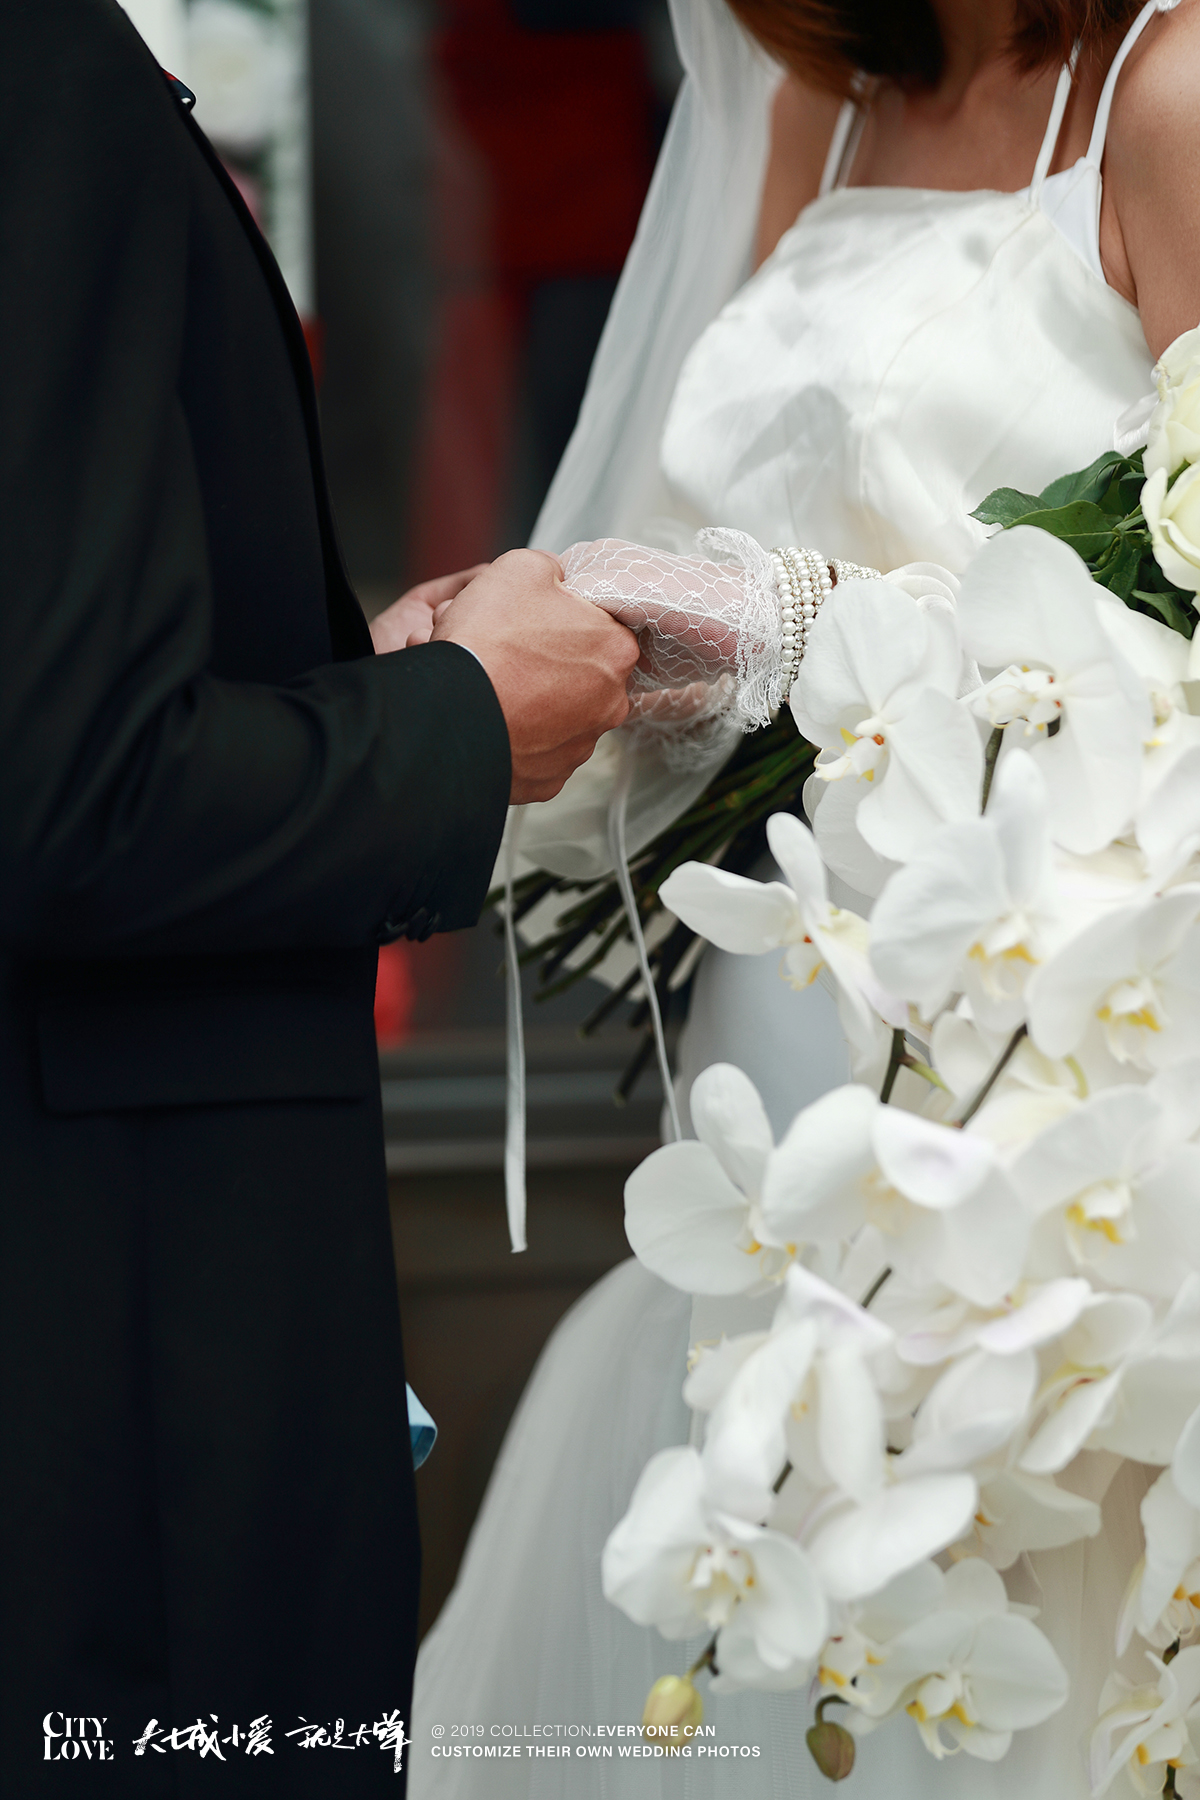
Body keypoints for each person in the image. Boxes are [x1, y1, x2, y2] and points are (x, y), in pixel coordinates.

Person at [409, 0, 1200, 1794]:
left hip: (1056, 1081)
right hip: (777, 1035)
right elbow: (714, 559)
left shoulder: (1169, 87)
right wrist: (536, 671)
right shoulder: (818, 105)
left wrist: (805, 630)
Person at [0, 5, 639, 1796]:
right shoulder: (34, 67)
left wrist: (350, 680)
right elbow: (78, 796)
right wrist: (459, 722)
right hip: (114, 1348)